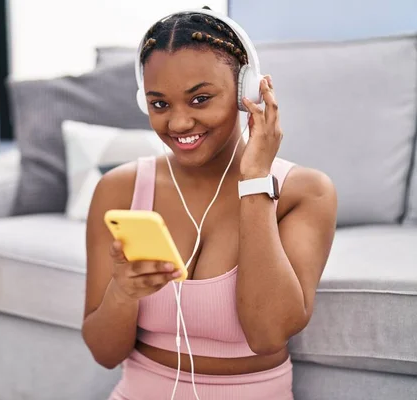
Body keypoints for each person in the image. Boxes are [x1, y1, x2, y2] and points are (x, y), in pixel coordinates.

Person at [82, 7, 337, 400]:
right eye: (160, 104)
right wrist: (122, 293)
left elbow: (267, 333)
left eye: (199, 99)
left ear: (245, 92)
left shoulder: (305, 192)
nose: (179, 123)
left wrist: (255, 182)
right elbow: (103, 353)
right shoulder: (119, 190)